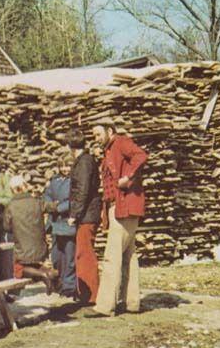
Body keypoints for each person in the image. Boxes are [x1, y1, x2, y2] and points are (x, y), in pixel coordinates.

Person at [86, 123, 148, 318]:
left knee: (112, 256)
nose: (96, 137)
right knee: (129, 256)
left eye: (98, 134)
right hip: (122, 207)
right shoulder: (110, 150)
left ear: (110, 132)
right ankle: (131, 303)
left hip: (124, 207)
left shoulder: (121, 143)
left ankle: (105, 306)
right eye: (94, 135)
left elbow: (141, 155)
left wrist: (128, 177)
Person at [4, 175, 59, 294]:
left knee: (18, 270)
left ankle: (43, 275)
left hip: (22, 249)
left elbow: (6, 227)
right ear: (24, 187)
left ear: (13, 190)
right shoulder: (37, 202)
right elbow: (53, 207)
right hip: (40, 248)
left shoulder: (11, 207)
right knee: (33, 264)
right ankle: (49, 273)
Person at [66, 129, 102, 305]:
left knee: (84, 253)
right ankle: (86, 293)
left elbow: (83, 190)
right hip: (87, 213)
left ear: (70, 147)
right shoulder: (85, 161)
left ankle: (92, 295)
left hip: (87, 215)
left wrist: (74, 214)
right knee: (83, 252)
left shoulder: (84, 163)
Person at [44, 154, 76, 298]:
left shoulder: (74, 182)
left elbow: (73, 200)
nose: (65, 169)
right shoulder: (55, 181)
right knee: (56, 255)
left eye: (68, 166)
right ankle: (58, 282)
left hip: (67, 221)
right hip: (55, 222)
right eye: (62, 166)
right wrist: (50, 205)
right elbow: (47, 195)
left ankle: (69, 286)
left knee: (69, 255)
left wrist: (59, 207)